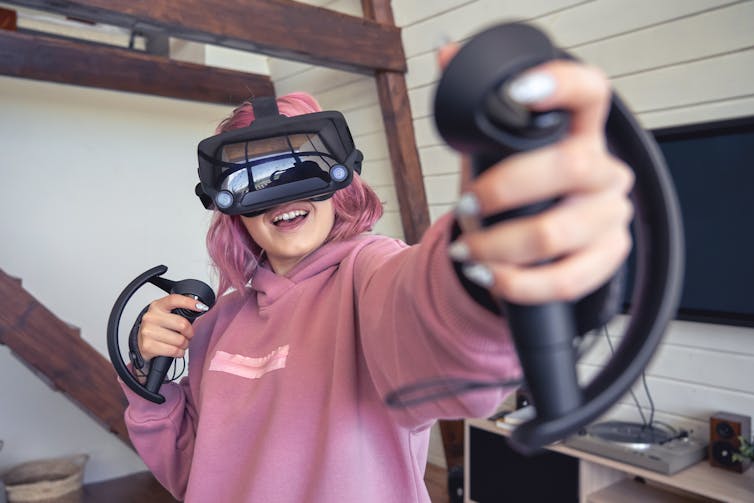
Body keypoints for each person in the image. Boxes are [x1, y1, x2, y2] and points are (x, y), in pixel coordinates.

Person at [121, 48, 633, 502]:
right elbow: (195, 475)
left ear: (341, 180)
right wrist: (152, 383)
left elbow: (430, 317)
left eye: (302, 170)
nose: (284, 194)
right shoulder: (216, 322)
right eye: (253, 180)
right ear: (231, 206)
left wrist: (484, 268)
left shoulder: (369, 274)